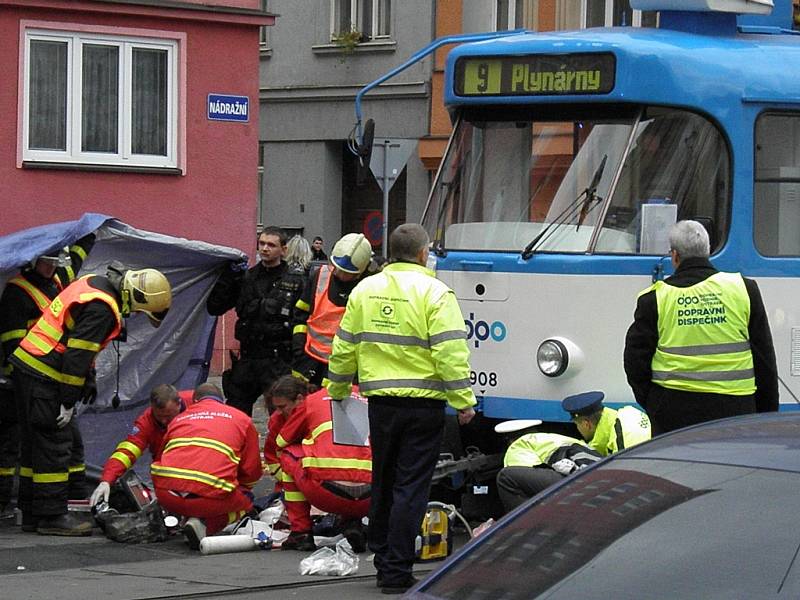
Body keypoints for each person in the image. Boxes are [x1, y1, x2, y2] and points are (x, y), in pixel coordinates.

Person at [327, 223, 477, 594]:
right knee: (411, 487)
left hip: (380, 404)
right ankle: (395, 570)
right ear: (424, 253)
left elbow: (344, 345)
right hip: (423, 407)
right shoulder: (436, 292)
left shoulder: (365, 289)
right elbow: (450, 352)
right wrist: (463, 402)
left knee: (384, 480)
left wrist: (339, 388)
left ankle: (382, 557)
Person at [9, 262, 171, 535]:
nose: (135, 315)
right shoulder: (104, 308)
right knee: (54, 445)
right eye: (141, 311)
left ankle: (34, 512)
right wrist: (68, 401)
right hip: (46, 375)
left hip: (32, 369)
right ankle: (52, 517)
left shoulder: (95, 284)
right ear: (135, 297)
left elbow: (80, 345)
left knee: (41, 445)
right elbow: (76, 355)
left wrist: (89, 379)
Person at [624, 220, 779, 435]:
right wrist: (766, 413)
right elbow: (764, 357)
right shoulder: (743, 289)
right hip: (736, 411)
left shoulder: (655, 298)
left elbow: (635, 361)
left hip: (673, 411)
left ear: (675, 256)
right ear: (707, 252)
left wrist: (654, 403)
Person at [0, 235, 95, 519]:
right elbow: (13, 347)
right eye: (47, 262)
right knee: (17, 446)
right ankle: (8, 503)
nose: (52, 268)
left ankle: (74, 497)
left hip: (51, 382)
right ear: (32, 262)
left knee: (63, 443)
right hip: (19, 384)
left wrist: (89, 233)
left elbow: (72, 263)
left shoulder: (55, 281)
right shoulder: (17, 294)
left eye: (56, 262)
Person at [263, 375, 371, 552]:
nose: (280, 412)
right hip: (370, 496)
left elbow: (281, 441)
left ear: (299, 398)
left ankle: (301, 533)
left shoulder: (312, 402)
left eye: (282, 407)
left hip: (325, 491)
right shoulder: (365, 397)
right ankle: (354, 522)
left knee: (291, 454)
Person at [150, 382, 263, 549]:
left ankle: (189, 518)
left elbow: (161, 456)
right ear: (222, 401)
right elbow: (251, 470)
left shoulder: (180, 418)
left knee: (193, 491)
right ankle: (204, 524)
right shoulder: (241, 419)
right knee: (246, 499)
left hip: (167, 495)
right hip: (209, 500)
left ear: (195, 401)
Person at [207, 226, 305, 417]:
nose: (265, 248)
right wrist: (228, 277)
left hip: (279, 359)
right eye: (261, 243)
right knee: (235, 413)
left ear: (283, 250)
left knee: (283, 416)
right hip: (249, 357)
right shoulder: (246, 277)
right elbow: (215, 307)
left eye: (271, 245)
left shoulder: (296, 281)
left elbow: (303, 320)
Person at [88, 384, 194, 507]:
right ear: (152, 407)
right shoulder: (146, 422)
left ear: (179, 404)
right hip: (167, 474)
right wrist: (106, 480)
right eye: (160, 417)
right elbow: (127, 451)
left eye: (168, 416)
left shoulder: (196, 402)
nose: (164, 421)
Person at [292, 233, 374, 386]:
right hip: (308, 359)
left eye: (346, 272)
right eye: (336, 267)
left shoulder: (370, 287)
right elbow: (300, 314)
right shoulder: (320, 276)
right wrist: (298, 346)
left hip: (344, 365)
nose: (338, 273)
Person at [496, 432, 602, 513]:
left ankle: (523, 528)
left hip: (583, 483)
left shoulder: (517, 448)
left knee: (506, 477)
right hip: (599, 476)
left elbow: (525, 479)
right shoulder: (556, 438)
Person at [562, 391, 651, 457]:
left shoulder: (621, 439)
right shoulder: (628, 412)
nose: (577, 428)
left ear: (586, 424)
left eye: (577, 424)